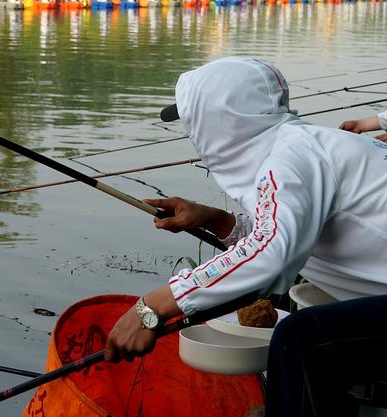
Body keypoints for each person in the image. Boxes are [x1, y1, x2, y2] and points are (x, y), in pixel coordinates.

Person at [104, 57, 387, 417]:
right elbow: (286, 236)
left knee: (300, 340)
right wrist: (218, 221)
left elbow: (271, 252)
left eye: (194, 121)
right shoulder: (307, 144)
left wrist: (151, 307)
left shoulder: (289, 159)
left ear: (219, 122)